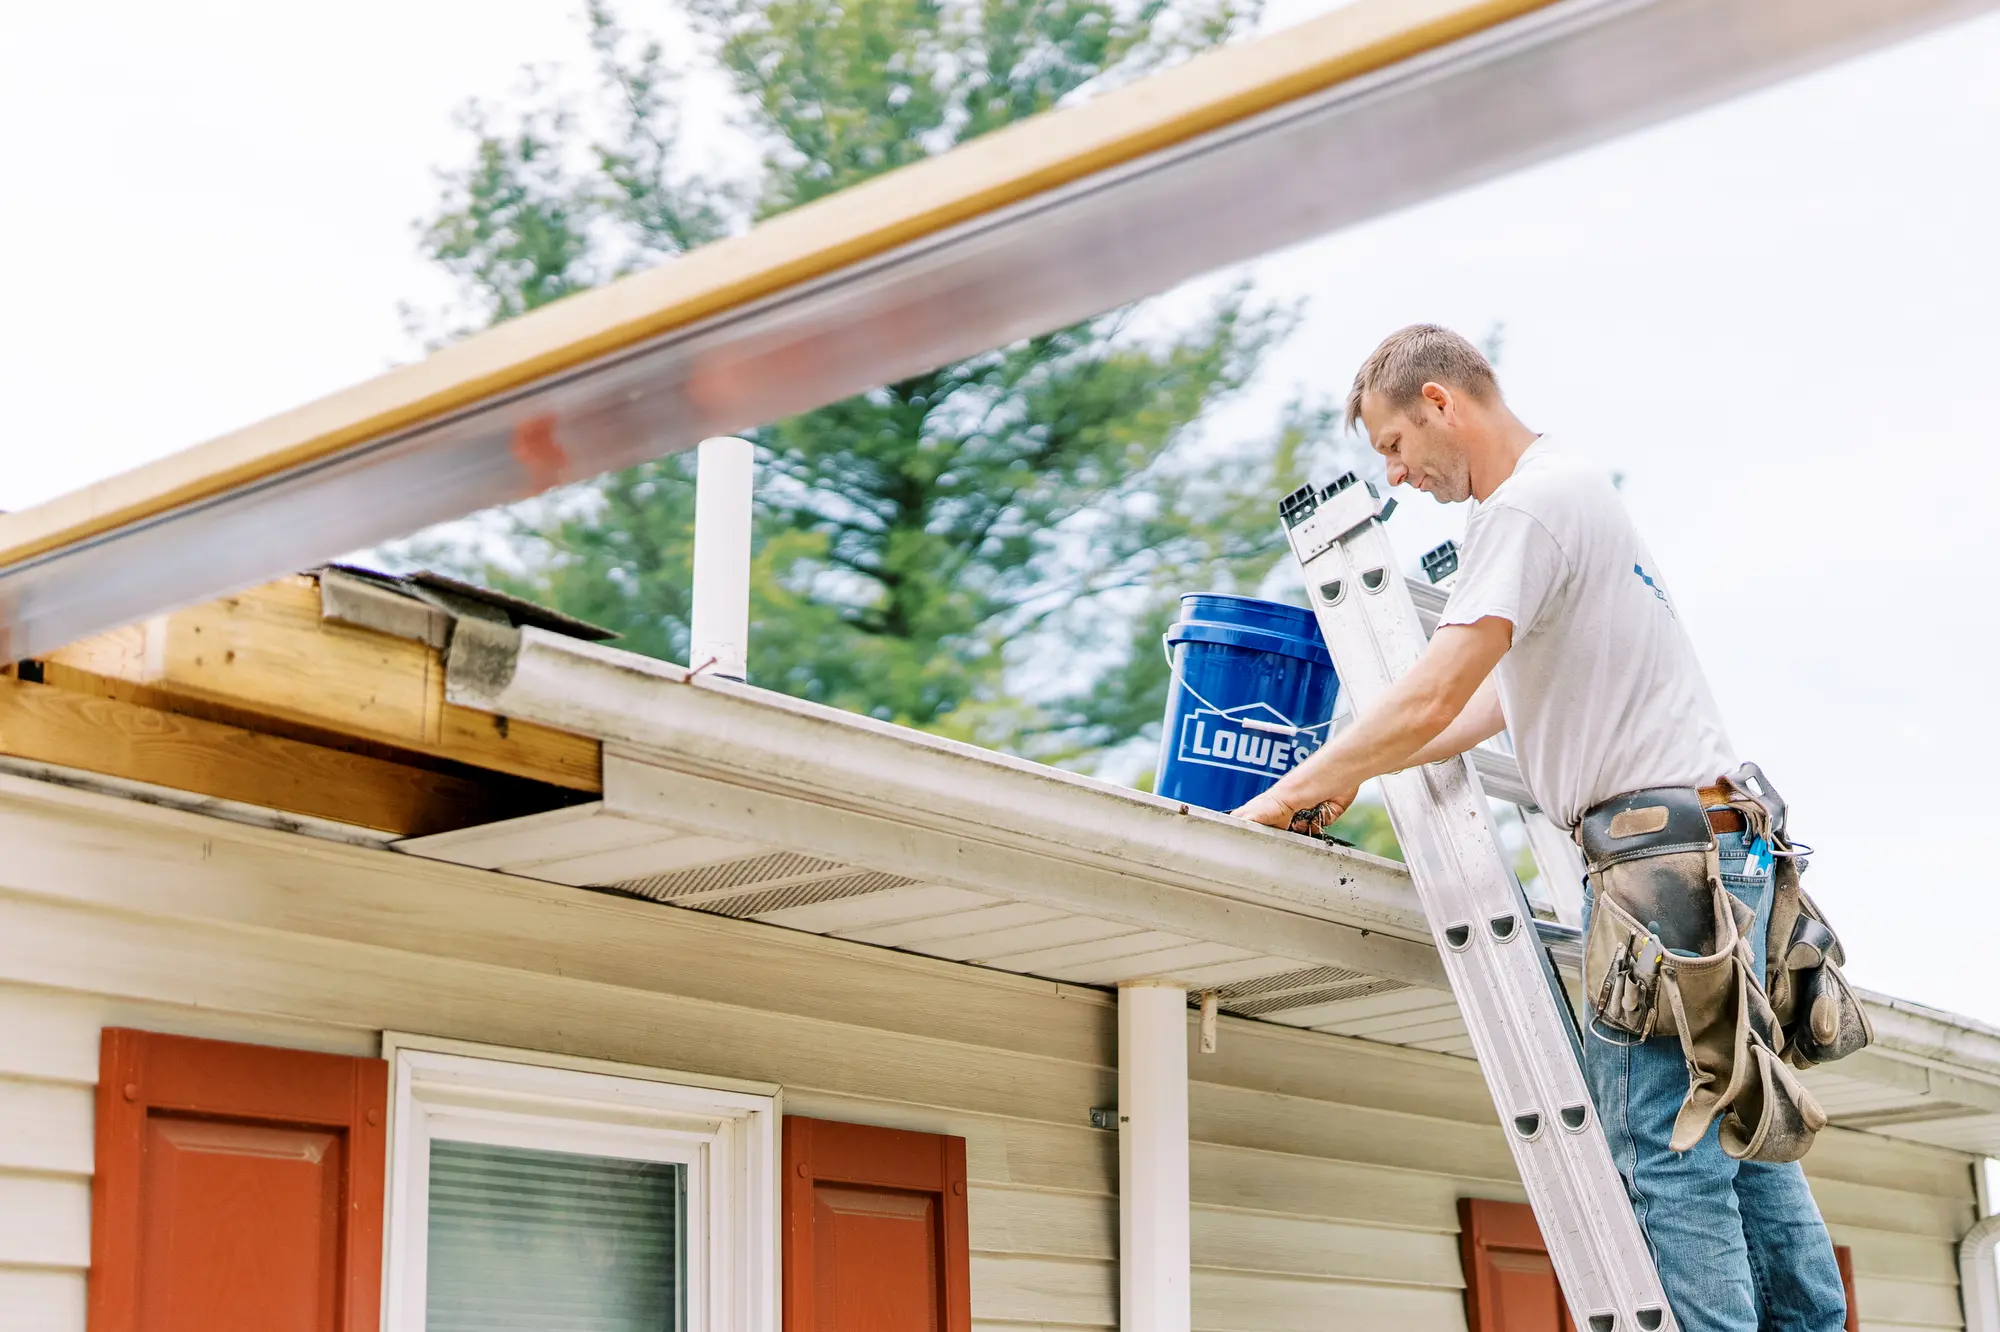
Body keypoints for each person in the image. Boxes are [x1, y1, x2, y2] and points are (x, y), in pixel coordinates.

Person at [1232, 325, 1848, 1332]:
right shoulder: (1572, 489)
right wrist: (1360, 770)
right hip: (1720, 846)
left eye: (1393, 445)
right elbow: (1489, 703)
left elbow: (1433, 692)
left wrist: (1289, 787)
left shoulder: (1523, 508)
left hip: (1660, 866)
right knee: (1744, 1126)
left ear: (1440, 402)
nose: (1394, 476)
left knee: (1666, 1152)